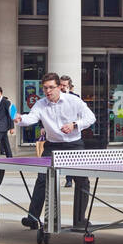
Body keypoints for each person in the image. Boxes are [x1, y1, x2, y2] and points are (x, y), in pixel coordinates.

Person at [16, 73, 96, 229]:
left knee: (82, 181)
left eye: (51, 87)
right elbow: (32, 118)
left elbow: (90, 117)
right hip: (52, 146)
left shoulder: (73, 101)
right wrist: (21, 119)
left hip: (74, 145)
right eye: (45, 88)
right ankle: (32, 218)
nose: (48, 91)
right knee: (42, 179)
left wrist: (75, 125)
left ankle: (79, 220)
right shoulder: (40, 104)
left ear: (60, 87)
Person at [0, 87, 15, 158]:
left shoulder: (6, 102)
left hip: (3, 125)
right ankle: (10, 157)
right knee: (5, 143)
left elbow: (10, 114)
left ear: (0, 93)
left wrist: (12, 127)